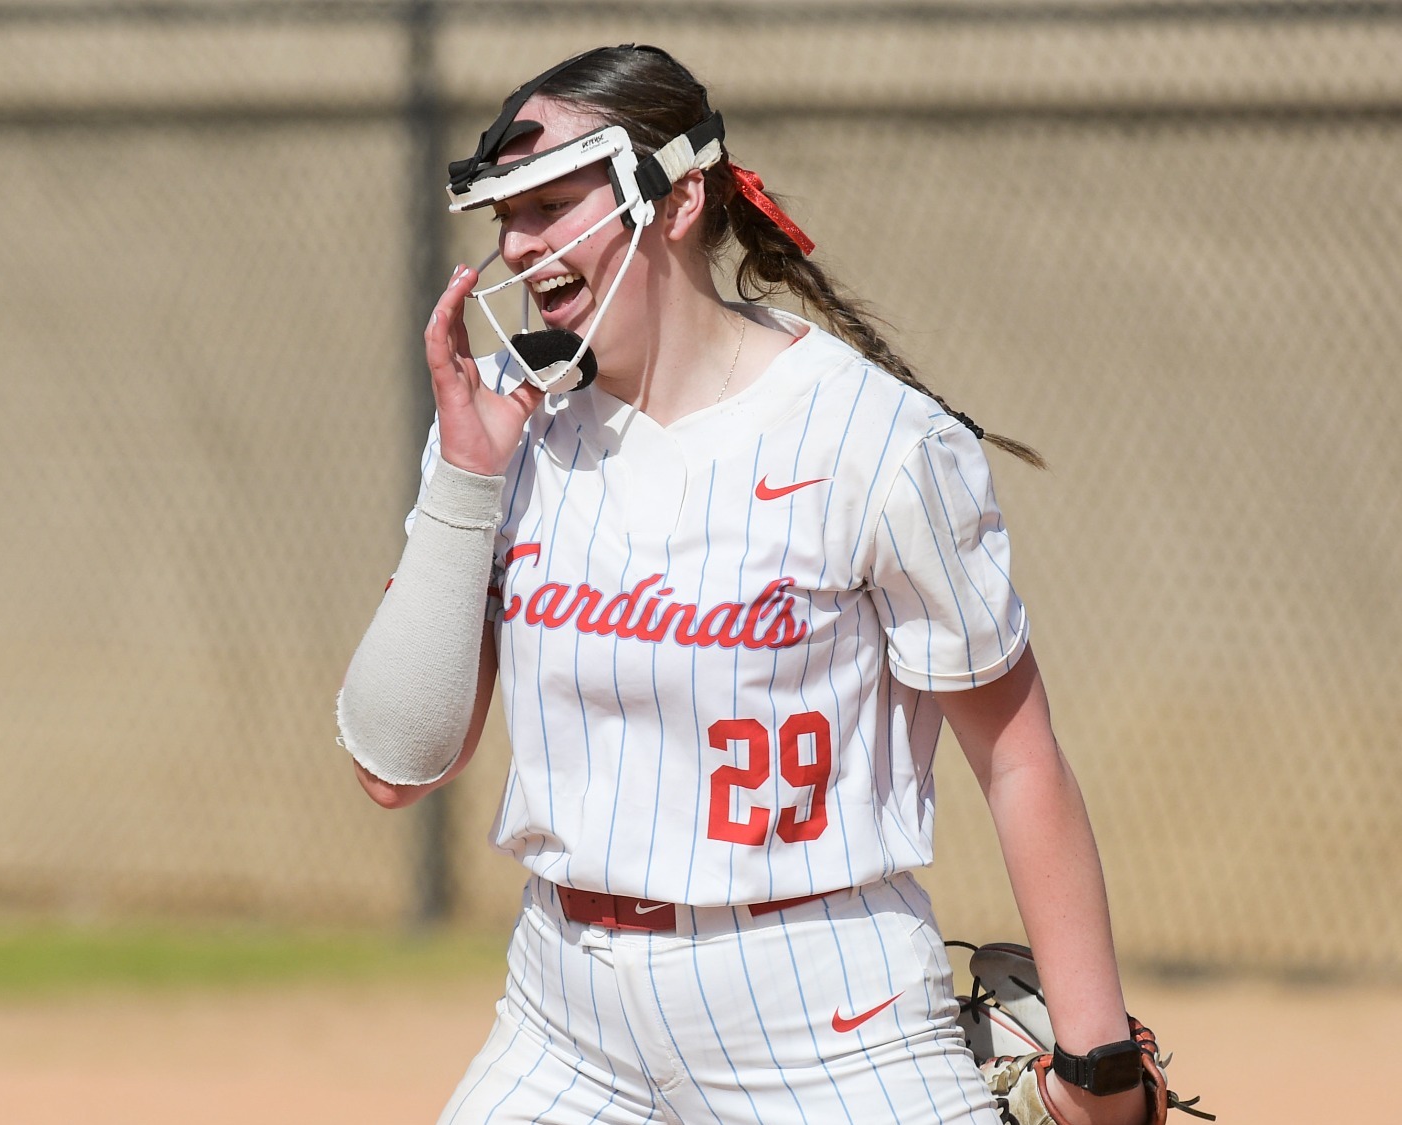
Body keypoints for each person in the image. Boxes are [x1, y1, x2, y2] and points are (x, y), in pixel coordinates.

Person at [337, 44, 1148, 1125]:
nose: (518, 248)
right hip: (563, 1016)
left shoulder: (873, 438)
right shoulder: (500, 415)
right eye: (504, 217)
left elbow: (1016, 756)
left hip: (822, 1019)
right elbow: (395, 766)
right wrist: (467, 486)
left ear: (674, 200)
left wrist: (1097, 1064)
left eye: (549, 205)